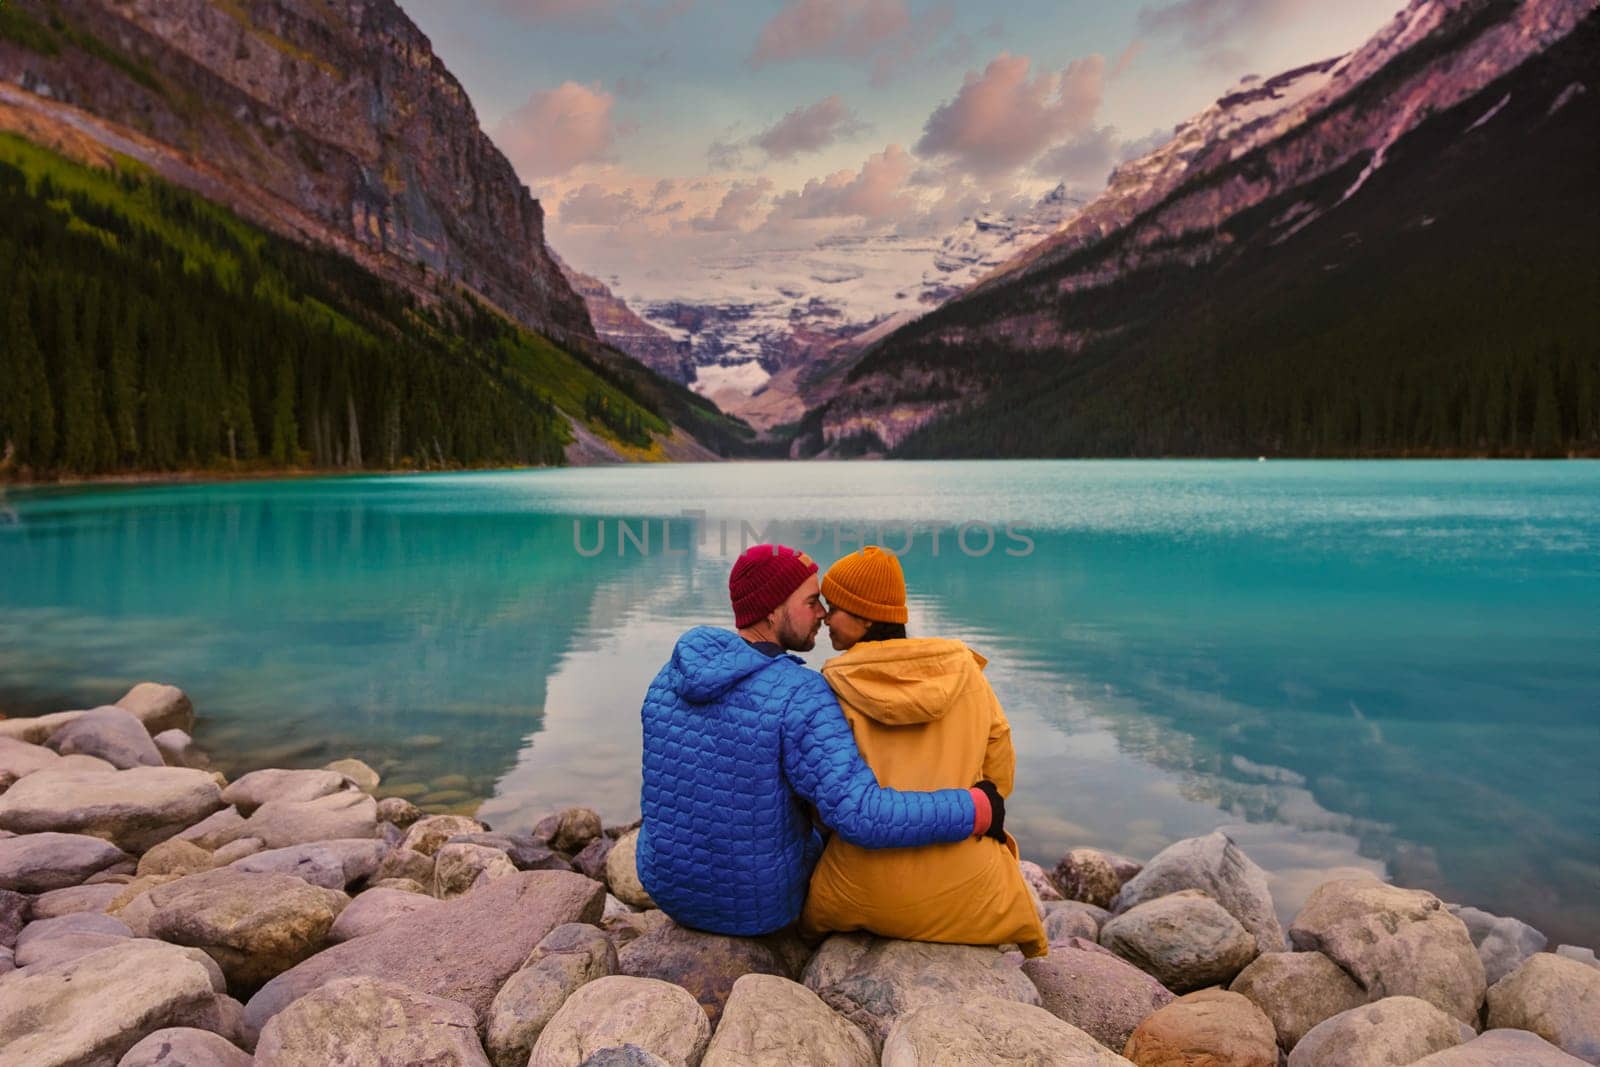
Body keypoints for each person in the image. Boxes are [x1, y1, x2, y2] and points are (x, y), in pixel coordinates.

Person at [637, 543, 1006, 937]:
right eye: (812, 602)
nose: (822, 614)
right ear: (772, 609)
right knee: (837, 829)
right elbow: (864, 817)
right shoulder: (800, 692)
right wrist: (976, 808)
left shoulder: (670, 675)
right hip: (754, 908)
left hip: (665, 886)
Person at [800, 545, 1049, 957]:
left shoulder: (833, 687)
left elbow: (823, 804)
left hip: (861, 885)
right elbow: (999, 774)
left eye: (835, 606)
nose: (825, 616)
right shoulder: (964, 672)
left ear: (864, 617)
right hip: (964, 886)